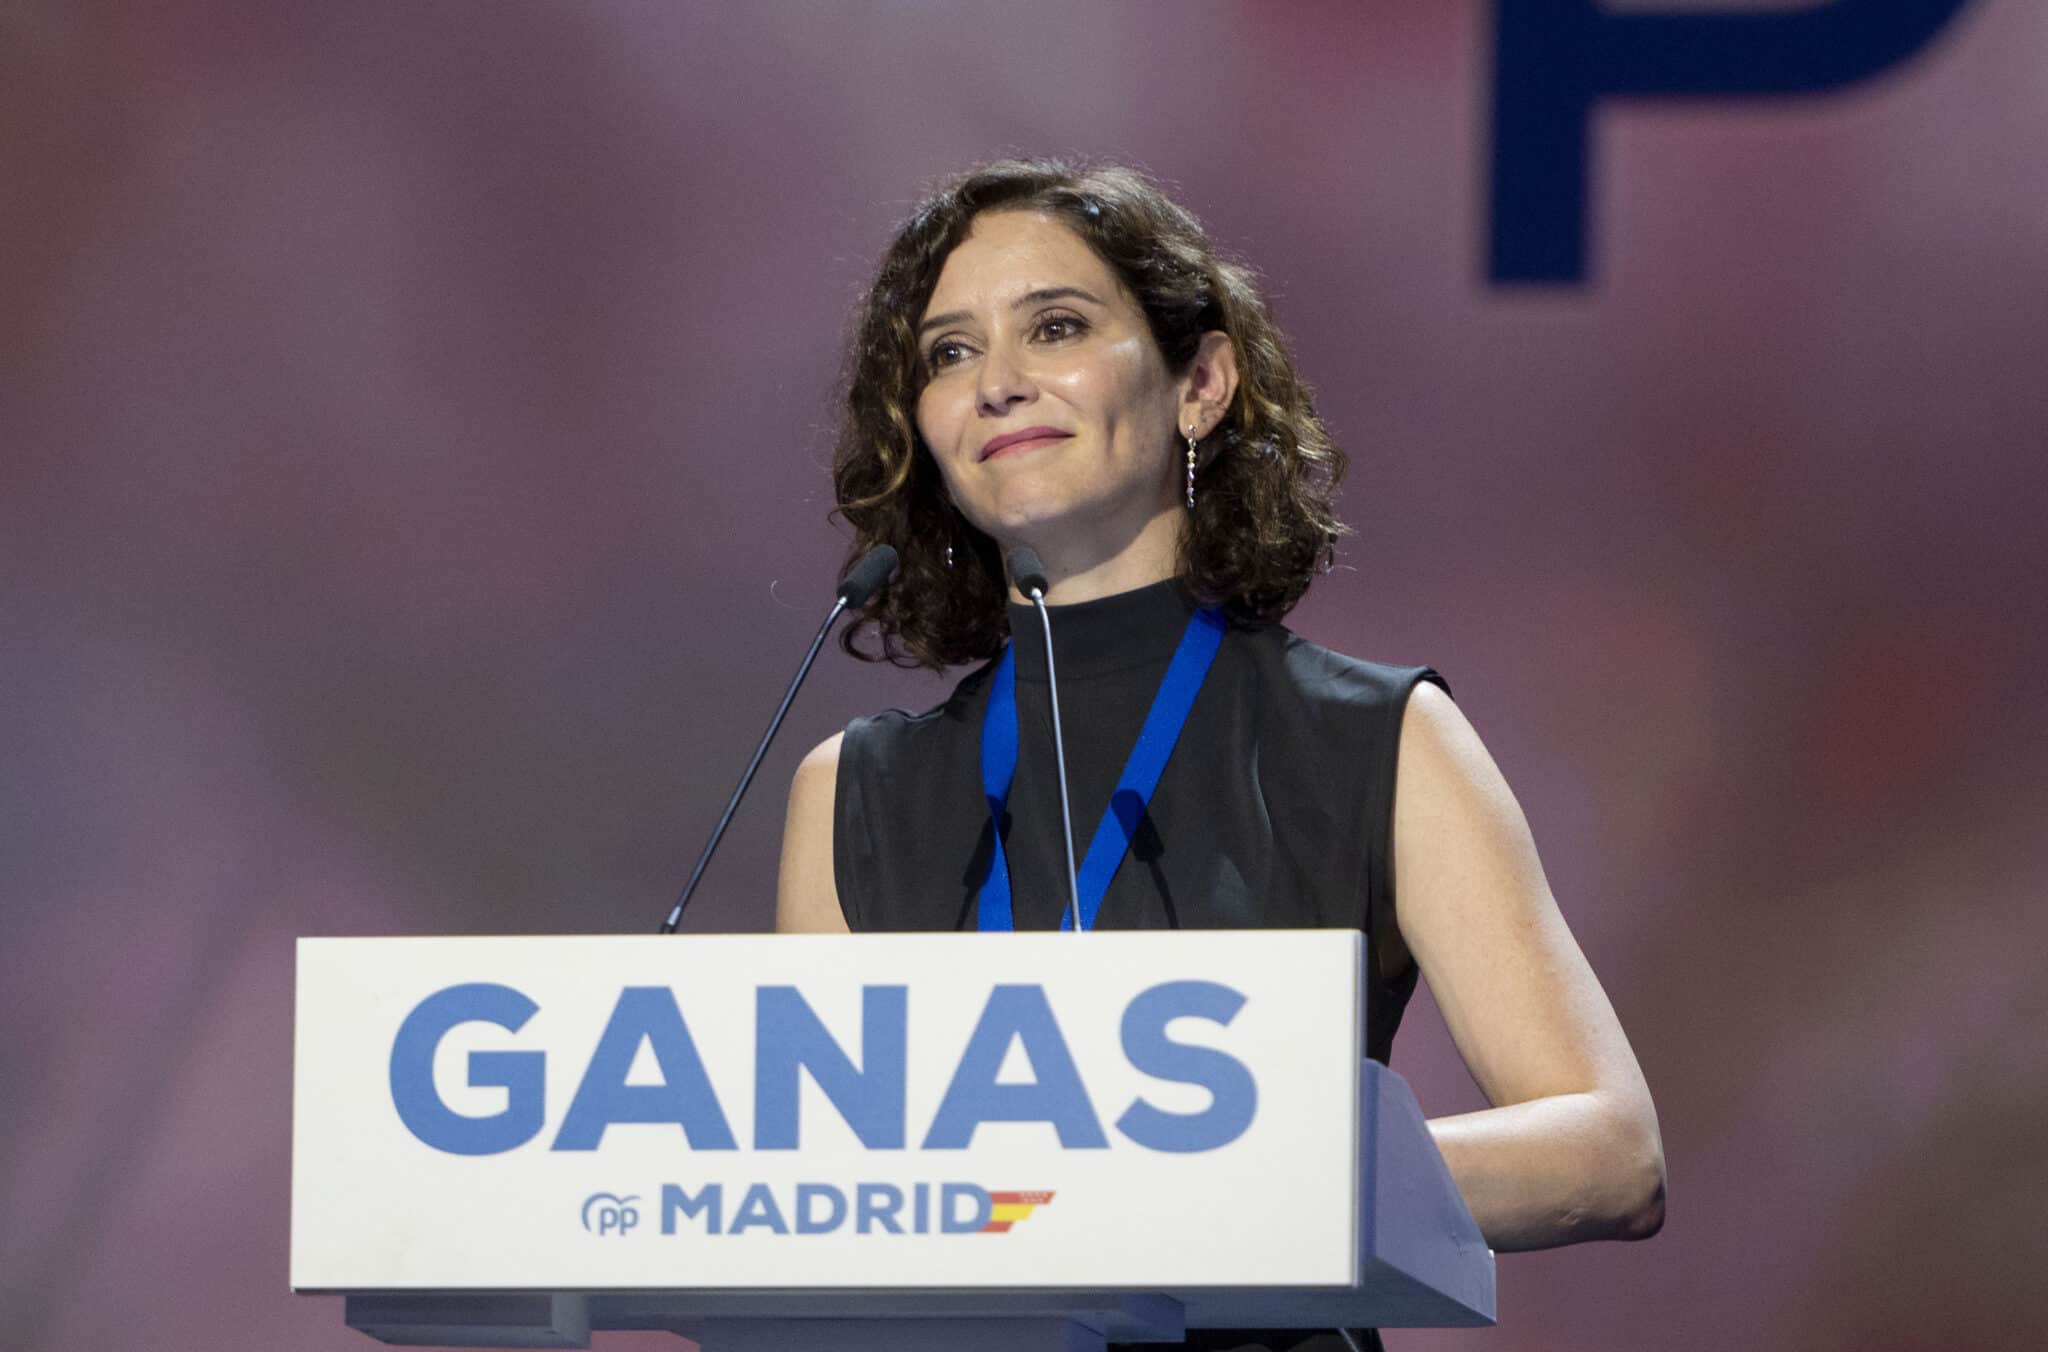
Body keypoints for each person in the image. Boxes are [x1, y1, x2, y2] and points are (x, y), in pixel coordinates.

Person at [775, 160, 1664, 1351]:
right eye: (946, 353)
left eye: (1055, 326)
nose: (995, 384)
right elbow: (803, 1204)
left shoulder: (1375, 736)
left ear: (1199, 381)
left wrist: (1237, 1183)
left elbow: (1607, 1150)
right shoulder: (854, 794)